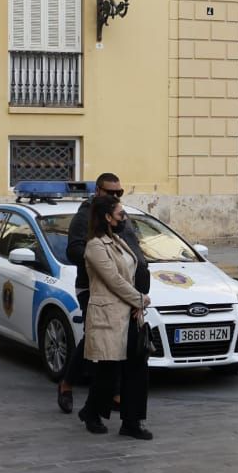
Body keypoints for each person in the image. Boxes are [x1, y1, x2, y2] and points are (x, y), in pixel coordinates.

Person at [78, 193, 153, 439]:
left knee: (137, 367)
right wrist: (139, 299)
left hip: (129, 314)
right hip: (109, 315)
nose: (125, 218)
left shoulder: (118, 240)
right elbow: (113, 281)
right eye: (121, 214)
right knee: (108, 371)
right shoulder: (95, 246)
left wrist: (136, 303)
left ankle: (132, 422)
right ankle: (91, 412)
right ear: (108, 217)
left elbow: (132, 272)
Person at [57, 173, 131, 414]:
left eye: (119, 193)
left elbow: (132, 244)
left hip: (118, 285)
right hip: (92, 286)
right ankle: (67, 384)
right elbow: (74, 250)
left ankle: (116, 394)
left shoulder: (120, 214)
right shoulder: (84, 216)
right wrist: (100, 260)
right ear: (98, 191)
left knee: (119, 337)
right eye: (111, 193)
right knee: (93, 337)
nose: (116, 197)